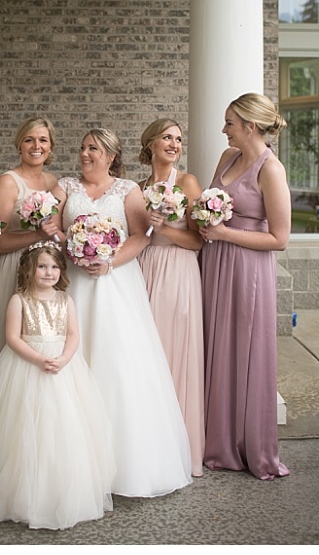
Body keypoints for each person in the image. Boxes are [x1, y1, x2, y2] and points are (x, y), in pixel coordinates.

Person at [50, 128, 193, 496]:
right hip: (75, 284)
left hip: (117, 286)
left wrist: (109, 261)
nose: (84, 154)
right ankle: (70, 463)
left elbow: (140, 236)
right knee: (73, 360)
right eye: (82, 148)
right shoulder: (66, 187)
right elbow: (49, 224)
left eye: (93, 149)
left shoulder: (127, 189)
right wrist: (73, 246)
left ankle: (124, 465)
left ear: (111, 155)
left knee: (118, 364)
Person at [0, 242, 115, 529]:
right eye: (42, 266)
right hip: (26, 365)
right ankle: (21, 493)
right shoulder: (19, 300)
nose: (48, 272)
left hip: (62, 368)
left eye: (54, 267)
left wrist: (63, 359)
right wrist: (39, 359)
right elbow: (13, 338)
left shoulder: (66, 300)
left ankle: (59, 488)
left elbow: (74, 335)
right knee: (22, 426)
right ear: (30, 268)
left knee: (62, 425)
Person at [199, 93, 293, 477]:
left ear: (250, 127)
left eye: (230, 124)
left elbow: (280, 238)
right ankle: (214, 440)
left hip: (248, 268)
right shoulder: (226, 159)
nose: (224, 130)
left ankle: (247, 444)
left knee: (244, 348)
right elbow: (208, 202)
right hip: (215, 261)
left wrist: (223, 234)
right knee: (214, 345)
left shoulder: (271, 170)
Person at [137, 118, 206, 476]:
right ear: (150, 144)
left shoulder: (187, 182)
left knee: (174, 354)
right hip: (143, 269)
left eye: (178, 139)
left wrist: (164, 228)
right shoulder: (137, 187)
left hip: (178, 270)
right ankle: (147, 445)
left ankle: (181, 450)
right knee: (145, 358)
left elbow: (197, 241)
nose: (174, 144)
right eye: (167, 137)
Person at [0, 117, 61, 360]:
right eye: (29, 140)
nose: (35, 146)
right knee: (19, 337)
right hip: (17, 266)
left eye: (42, 140)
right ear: (20, 145)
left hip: (47, 270)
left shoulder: (52, 182)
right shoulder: (8, 183)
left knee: (44, 339)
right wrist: (36, 235)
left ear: (50, 147)